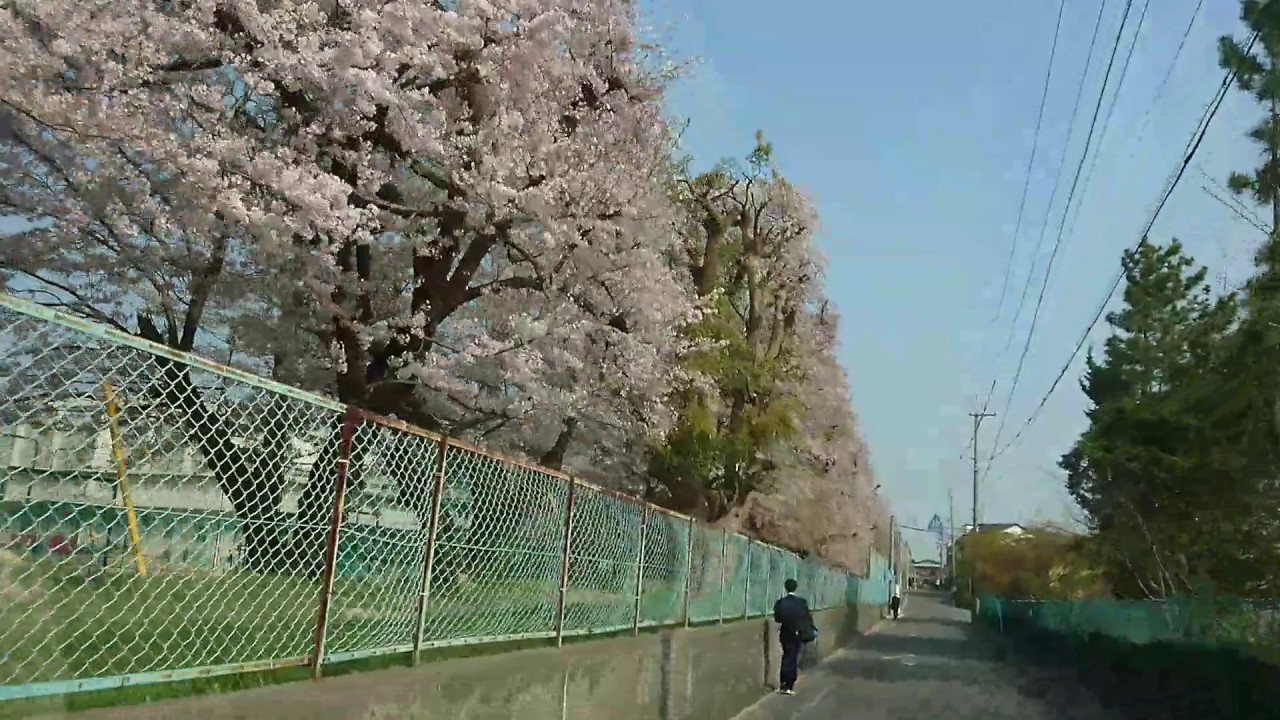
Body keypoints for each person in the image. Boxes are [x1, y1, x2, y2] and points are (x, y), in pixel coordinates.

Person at [772, 578, 815, 695]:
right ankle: (789, 685)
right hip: (798, 633)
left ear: (786, 588)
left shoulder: (781, 603)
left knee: (786, 655)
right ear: (795, 588)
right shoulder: (802, 602)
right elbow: (807, 617)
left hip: (785, 632)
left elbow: (777, 618)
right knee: (793, 657)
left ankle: (783, 683)